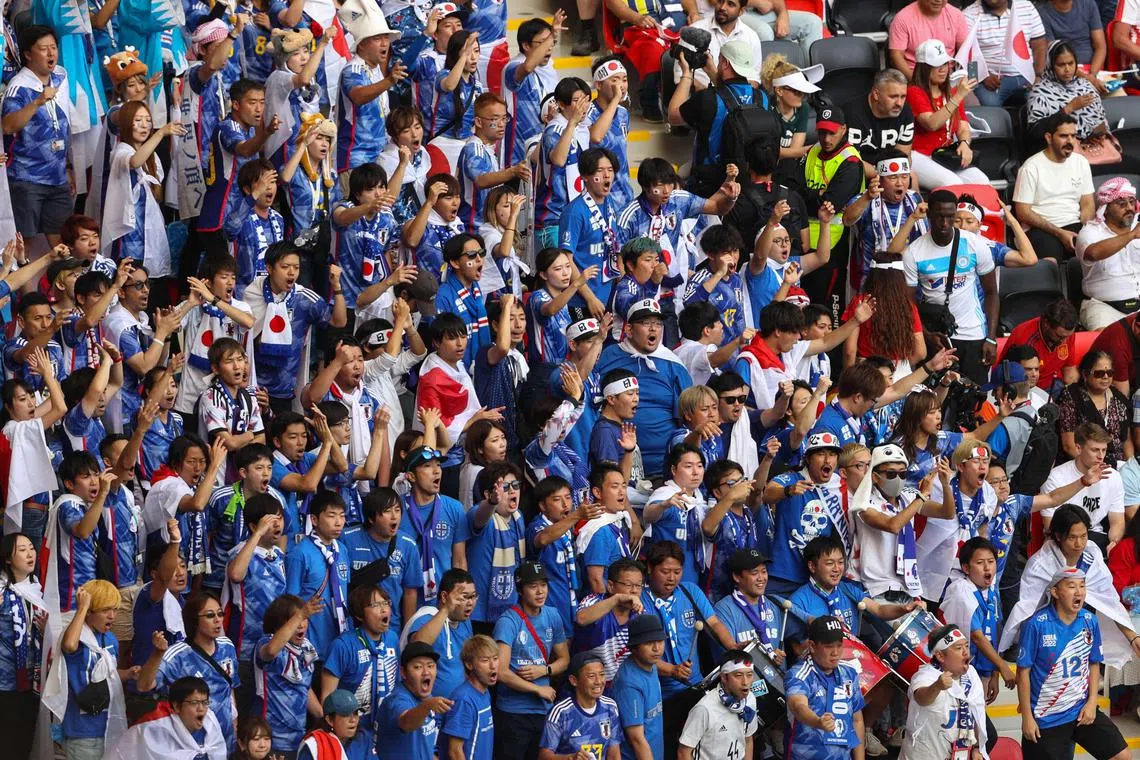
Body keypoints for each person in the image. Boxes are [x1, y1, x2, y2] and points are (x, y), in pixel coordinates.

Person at [1000, 504, 1140, 669]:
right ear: (1058, 536)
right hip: (1047, 638)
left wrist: (1132, 637)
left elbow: (1109, 601)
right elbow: (1027, 609)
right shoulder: (1040, 564)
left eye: (1084, 536)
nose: (1079, 543)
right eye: (1072, 537)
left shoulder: (1092, 556)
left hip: (1083, 633)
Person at [1016, 568, 1130, 760]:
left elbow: (1094, 664)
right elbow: (1023, 673)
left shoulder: (1089, 620)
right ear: (1055, 592)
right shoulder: (1036, 625)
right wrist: (1027, 717)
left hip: (1080, 710)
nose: (1079, 592)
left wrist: (1092, 702)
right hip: (1046, 718)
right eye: (1071, 586)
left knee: (1122, 756)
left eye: (1082, 586)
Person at [639, 541, 736, 757]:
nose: (672, 578)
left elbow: (715, 623)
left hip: (696, 688)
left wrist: (732, 647)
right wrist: (671, 670)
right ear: (650, 569)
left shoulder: (689, 590)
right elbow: (639, 653)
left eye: (677, 571)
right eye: (665, 572)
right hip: (659, 695)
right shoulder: (639, 601)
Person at [902, 189, 998, 383]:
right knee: (935, 403)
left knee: (973, 400)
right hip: (936, 338)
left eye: (950, 217)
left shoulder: (975, 244)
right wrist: (926, 336)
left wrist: (990, 337)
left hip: (973, 335)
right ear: (929, 214)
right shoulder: (913, 252)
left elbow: (991, 292)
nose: (944, 223)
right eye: (939, 216)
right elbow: (907, 304)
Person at [595, 299, 693, 478]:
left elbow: (689, 417)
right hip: (616, 466)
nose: (653, 328)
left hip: (665, 470)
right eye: (646, 323)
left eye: (658, 323)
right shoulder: (607, 357)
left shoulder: (674, 364)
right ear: (629, 330)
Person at [849, 443, 954, 602]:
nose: (898, 479)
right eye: (891, 474)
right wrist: (923, 495)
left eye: (903, 474)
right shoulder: (864, 503)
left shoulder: (909, 497)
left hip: (908, 587)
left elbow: (947, 513)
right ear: (875, 476)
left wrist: (946, 485)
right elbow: (893, 525)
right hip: (879, 590)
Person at [137, 593, 240, 752]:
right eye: (210, 615)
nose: (218, 619)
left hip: (225, 741)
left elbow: (230, 686)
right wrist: (157, 653)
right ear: (194, 621)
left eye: (220, 614)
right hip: (190, 745)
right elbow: (144, 685)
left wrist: (234, 718)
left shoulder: (228, 646)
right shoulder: (177, 655)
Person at [2, 26, 75, 244]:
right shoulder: (19, 87)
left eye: (53, 47)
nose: (51, 54)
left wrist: (70, 167)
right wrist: (37, 102)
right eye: (43, 49)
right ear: (27, 54)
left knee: (62, 247)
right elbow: (7, 126)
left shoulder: (61, 76)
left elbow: (65, 125)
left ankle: (59, 280)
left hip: (59, 177)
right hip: (27, 179)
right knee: (24, 245)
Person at [491, 559, 569, 760]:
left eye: (543, 585)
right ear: (520, 589)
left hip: (544, 711)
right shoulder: (508, 621)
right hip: (513, 712)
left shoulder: (552, 615)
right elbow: (500, 671)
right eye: (533, 586)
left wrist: (545, 671)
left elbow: (564, 659)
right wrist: (537, 688)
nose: (540, 591)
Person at [321, 583, 400, 756]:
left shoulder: (393, 639)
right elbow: (327, 699)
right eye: (375, 605)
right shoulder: (342, 646)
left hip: (387, 729)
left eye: (386, 602)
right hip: (353, 736)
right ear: (359, 614)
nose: (383, 609)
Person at [1012, 113, 1095, 262]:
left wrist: (1086, 230)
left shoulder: (1081, 162)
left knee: (1095, 255)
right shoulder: (1031, 167)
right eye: (1064, 136)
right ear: (1049, 138)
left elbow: (1088, 204)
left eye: (1073, 136)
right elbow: (1023, 212)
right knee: (1051, 264)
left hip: (1075, 224)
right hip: (1041, 229)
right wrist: (1059, 232)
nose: (1070, 141)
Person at [906, 40, 988, 189]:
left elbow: (963, 126)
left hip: (945, 154)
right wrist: (958, 97)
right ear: (924, 68)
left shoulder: (952, 92)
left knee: (983, 182)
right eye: (936, 65)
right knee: (953, 183)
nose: (943, 69)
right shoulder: (914, 91)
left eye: (944, 64)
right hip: (920, 155)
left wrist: (964, 143)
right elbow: (931, 124)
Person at [899, 625, 989, 760]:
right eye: (959, 648)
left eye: (966, 646)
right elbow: (921, 698)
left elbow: (977, 711)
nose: (966, 652)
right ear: (940, 656)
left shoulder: (971, 674)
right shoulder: (925, 676)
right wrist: (936, 687)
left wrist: (977, 748)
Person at [842, 152, 927, 294]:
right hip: (871, 280)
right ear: (879, 179)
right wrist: (867, 197)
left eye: (904, 177)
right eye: (893, 177)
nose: (900, 182)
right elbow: (847, 220)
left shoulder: (915, 199)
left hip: (908, 279)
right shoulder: (864, 200)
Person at [252, 594, 322, 755]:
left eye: (305, 619)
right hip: (270, 741)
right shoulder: (266, 643)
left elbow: (304, 686)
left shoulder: (306, 648)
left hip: (299, 740)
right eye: (295, 619)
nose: (301, 624)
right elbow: (270, 651)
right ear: (278, 624)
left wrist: (322, 716)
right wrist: (300, 615)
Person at [284, 490, 350, 660]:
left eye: (342, 516)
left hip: (339, 640)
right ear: (314, 519)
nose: (338, 522)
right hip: (311, 642)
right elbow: (290, 601)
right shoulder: (300, 553)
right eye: (331, 516)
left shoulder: (341, 549)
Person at [1042, 422, 1126, 553]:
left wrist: (1114, 542)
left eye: (1104, 450)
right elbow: (1050, 526)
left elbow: (1117, 521)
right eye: (1095, 450)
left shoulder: (1113, 477)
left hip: (1096, 536)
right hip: (1064, 539)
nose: (1101, 456)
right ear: (1078, 448)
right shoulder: (1056, 477)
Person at [0, 533, 48, 759]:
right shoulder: (1, 590)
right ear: (7, 558)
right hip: (5, 682)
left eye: (31, 547)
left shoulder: (36, 587)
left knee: (24, 741)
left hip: (31, 680)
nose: (30, 554)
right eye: (22, 550)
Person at [105, 675, 228, 760]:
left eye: (205, 702)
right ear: (177, 706)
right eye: (194, 703)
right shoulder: (152, 728)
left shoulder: (210, 721)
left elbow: (217, 752)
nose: (201, 708)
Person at [1075, 177, 1140, 329]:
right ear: (1106, 208)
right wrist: (1131, 235)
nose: (1129, 208)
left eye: (1132, 202)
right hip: (1103, 307)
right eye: (1122, 204)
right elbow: (1094, 253)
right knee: (1107, 342)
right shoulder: (1090, 232)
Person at [406, 567, 476, 699]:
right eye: (464, 597)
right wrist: (445, 610)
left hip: (458, 706)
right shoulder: (426, 618)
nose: (470, 603)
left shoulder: (465, 622)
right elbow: (417, 646)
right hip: (429, 707)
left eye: (473, 597)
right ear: (444, 596)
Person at [539, 652, 623, 760]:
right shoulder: (561, 712)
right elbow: (543, 756)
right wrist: (570, 758)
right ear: (574, 680)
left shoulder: (610, 707)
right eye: (591, 676)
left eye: (602, 674)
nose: (598, 681)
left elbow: (614, 755)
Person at [677, 648, 759, 760]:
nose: (745, 682)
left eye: (749, 675)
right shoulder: (705, 708)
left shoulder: (750, 699)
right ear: (724, 677)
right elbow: (683, 752)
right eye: (738, 675)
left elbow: (748, 740)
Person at [962, 0, 1047, 106]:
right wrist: (983, 77)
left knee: (1041, 100)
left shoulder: (1026, 7)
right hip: (991, 80)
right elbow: (967, 54)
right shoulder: (969, 14)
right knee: (990, 105)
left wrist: (1038, 75)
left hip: (1027, 75)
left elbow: (1039, 44)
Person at [376, 640, 451, 760]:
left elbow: (426, 746)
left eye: (430, 666)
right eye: (418, 667)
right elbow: (406, 722)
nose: (426, 672)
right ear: (403, 672)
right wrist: (426, 706)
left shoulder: (428, 698)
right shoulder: (396, 700)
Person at [1029, 41, 1112, 145]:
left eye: (1071, 63)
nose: (1067, 69)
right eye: (1061, 65)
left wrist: (1100, 134)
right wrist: (1069, 108)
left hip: (1098, 147)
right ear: (1050, 65)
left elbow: (1101, 119)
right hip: (1062, 151)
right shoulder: (1040, 92)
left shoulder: (1085, 86)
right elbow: (1035, 133)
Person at [997, 299, 1081, 396]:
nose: (1064, 341)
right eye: (1060, 336)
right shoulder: (1022, 337)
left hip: (1053, 386)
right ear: (1046, 324)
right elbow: (1003, 372)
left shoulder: (1067, 335)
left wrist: (1077, 398)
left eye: (1068, 336)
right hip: (1024, 389)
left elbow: (1069, 371)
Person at [1058, 357, 1132, 465]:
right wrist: (1099, 469)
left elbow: (1126, 441)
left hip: (1119, 464)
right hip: (1085, 465)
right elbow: (1069, 446)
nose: (1105, 377)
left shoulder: (1118, 398)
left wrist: (1130, 467)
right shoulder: (1072, 397)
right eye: (1099, 373)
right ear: (1085, 374)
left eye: (1110, 373)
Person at [844, 69, 916, 177]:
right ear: (876, 94)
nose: (899, 103)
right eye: (893, 97)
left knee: (912, 178)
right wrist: (882, 175)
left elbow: (903, 156)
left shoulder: (905, 112)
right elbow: (849, 160)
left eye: (903, 96)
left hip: (889, 172)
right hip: (857, 172)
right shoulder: (852, 113)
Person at [613, 615, 665, 760]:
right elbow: (636, 739)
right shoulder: (629, 684)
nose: (656, 648)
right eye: (649, 643)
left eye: (660, 641)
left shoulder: (651, 665)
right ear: (634, 648)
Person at [441, 634, 498, 760]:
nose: (493, 665)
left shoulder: (485, 692)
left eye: (495, 658)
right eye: (485, 660)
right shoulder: (463, 700)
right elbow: (455, 751)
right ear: (469, 664)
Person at [888, 0, 969, 79]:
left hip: (947, 77)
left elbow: (966, 51)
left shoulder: (957, 15)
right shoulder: (902, 18)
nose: (938, 0)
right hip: (915, 75)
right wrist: (916, 82)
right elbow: (896, 56)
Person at [1038, 0, 1108, 71]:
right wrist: (1084, 77)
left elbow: (1100, 47)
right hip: (1063, 70)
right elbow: (1052, 52)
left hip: (1092, 67)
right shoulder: (1042, 12)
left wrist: (1092, 74)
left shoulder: (1089, 4)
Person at [299, 689, 365, 760]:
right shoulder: (314, 745)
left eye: (355, 713)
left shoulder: (363, 738)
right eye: (346, 714)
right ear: (329, 720)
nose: (353, 720)